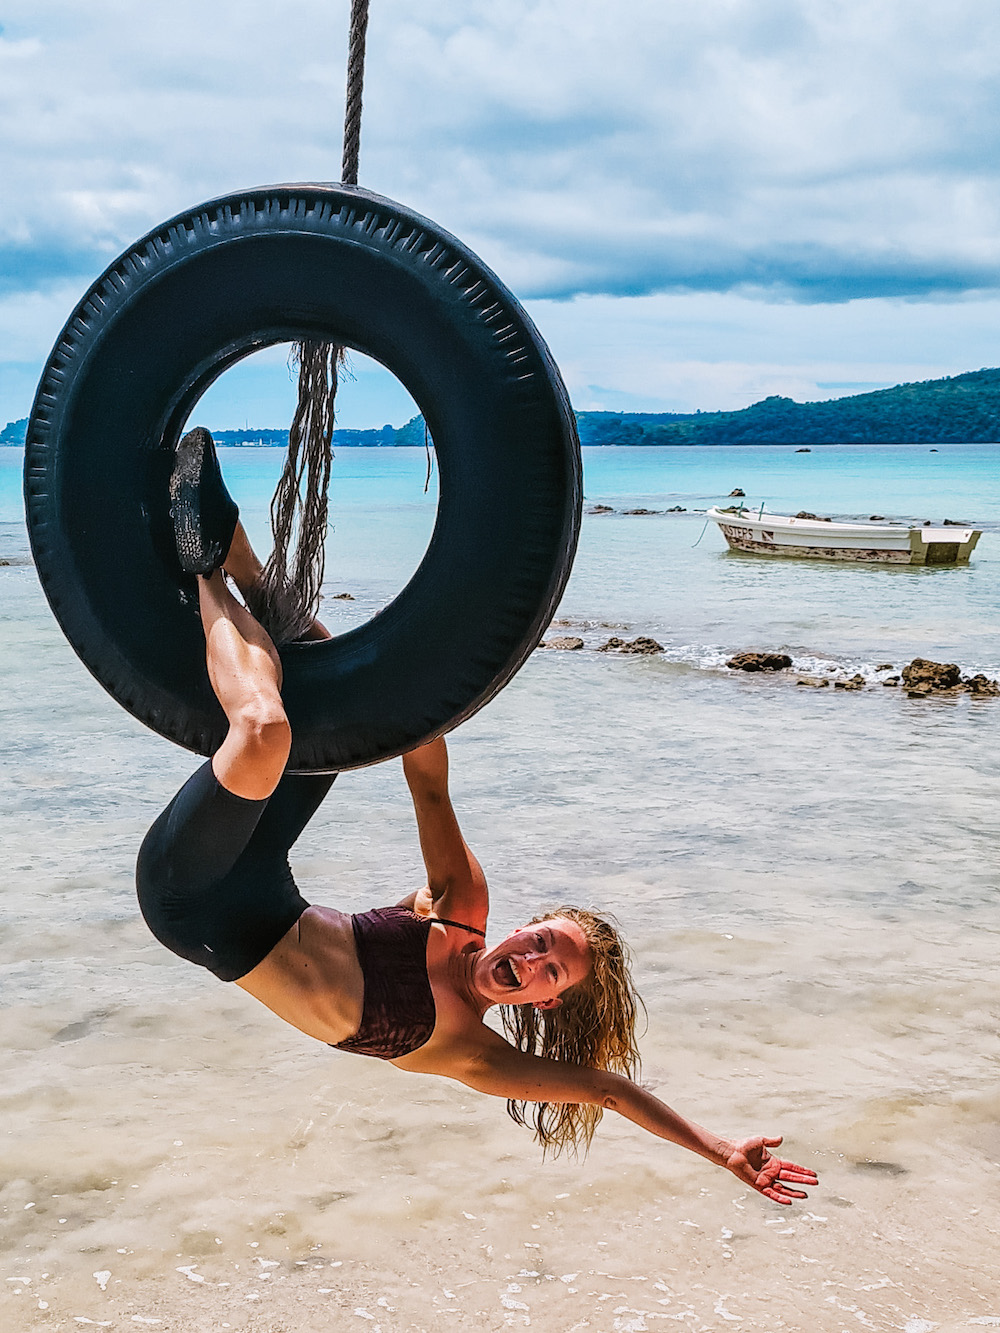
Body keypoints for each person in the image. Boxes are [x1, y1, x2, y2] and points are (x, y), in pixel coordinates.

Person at [136, 427, 819, 1205]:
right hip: (261, 874)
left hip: (191, 901)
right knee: (323, 658)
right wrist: (432, 665)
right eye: (538, 940)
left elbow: (608, 1092)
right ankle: (222, 536)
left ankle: (202, 568)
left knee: (265, 732)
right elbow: (427, 780)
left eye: (546, 968)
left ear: (547, 1000)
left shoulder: (469, 1051)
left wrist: (723, 1149)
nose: (527, 958)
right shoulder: (459, 910)